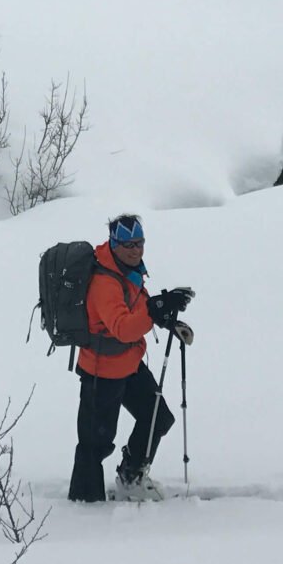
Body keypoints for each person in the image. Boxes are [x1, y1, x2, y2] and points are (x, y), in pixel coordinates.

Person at [69, 213, 194, 502]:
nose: (135, 250)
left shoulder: (128, 271)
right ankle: (83, 508)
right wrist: (154, 309)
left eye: (139, 243)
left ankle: (131, 477)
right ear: (114, 244)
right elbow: (124, 328)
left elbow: (138, 307)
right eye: (128, 245)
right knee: (94, 444)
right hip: (102, 371)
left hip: (128, 364)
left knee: (157, 418)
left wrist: (166, 319)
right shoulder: (105, 283)